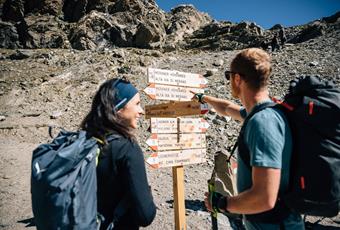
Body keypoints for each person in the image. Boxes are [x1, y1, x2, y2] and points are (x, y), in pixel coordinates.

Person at [194, 48, 304, 229]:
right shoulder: (263, 113)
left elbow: (264, 197)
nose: (229, 81)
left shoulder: (263, 122)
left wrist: (223, 204)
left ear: (237, 79)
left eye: (229, 76)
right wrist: (204, 98)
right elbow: (228, 108)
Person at [80, 77, 156, 230]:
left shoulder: (85, 139)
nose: (141, 110)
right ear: (119, 109)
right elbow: (145, 216)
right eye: (137, 104)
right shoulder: (127, 148)